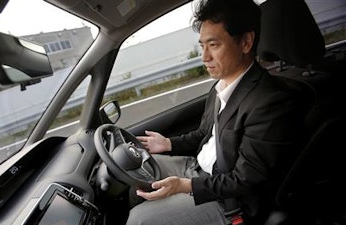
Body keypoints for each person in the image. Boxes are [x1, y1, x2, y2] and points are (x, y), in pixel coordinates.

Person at [125, 0, 308, 224]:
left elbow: (246, 179)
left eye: (214, 45)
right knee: (135, 170)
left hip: (228, 200)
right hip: (196, 168)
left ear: (246, 42)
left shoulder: (271, 101)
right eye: (202, 45)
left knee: (139, 220)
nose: (204, 57)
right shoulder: (221, 85)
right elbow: (205, 133)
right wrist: (169, 144)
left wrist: (185, 186)